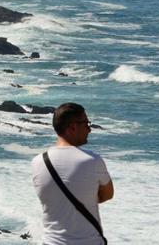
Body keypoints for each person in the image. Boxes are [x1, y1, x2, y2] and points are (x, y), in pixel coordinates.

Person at [31, 102, 114, 245]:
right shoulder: (92, 161)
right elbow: (107, 194)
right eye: (86, 123)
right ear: (72, 127)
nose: (89, 129)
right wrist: (86, 197)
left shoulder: (38, 162)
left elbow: (52, 198)